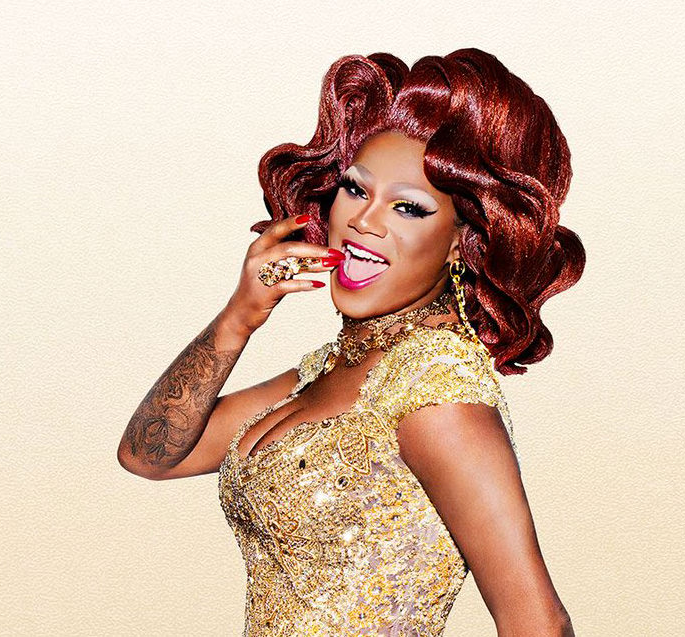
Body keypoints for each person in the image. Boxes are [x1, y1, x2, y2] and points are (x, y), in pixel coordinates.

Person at [118, 48, 585, 636]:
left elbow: (538, 622)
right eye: (356, 190)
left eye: (408, 207)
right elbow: (148, 455)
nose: (365, 220)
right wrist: (240, 316)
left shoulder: (438, 394)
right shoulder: (336, 368)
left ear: (460, 241)